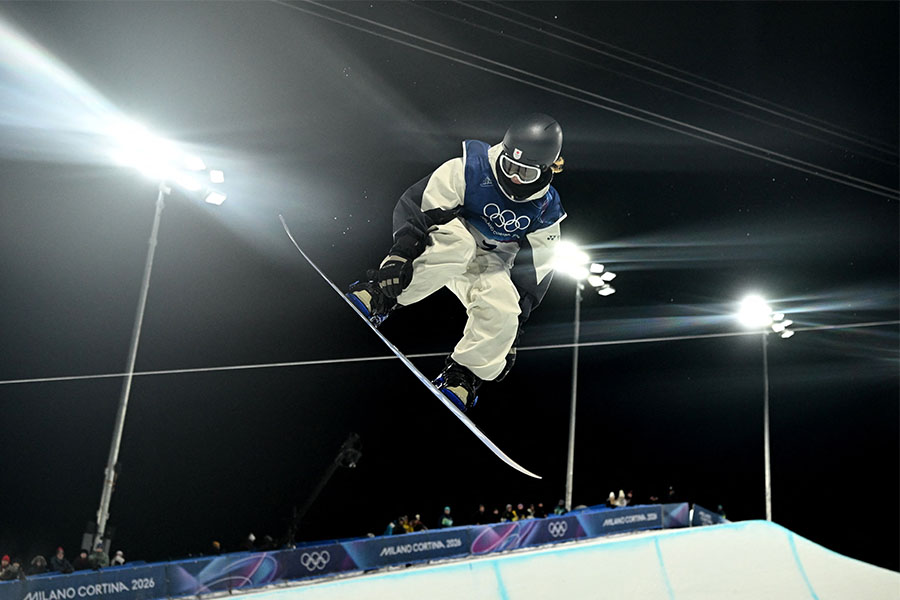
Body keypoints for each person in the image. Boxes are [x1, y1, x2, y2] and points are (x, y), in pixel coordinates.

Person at [347, 114, 566, 410]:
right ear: (501, 151)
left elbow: (536, 270)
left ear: (545, 170)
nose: (514, 177)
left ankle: (463, 375)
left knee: (502, 304)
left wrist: (515, 328)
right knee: (458, 245)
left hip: (491, 258)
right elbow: (421, 206)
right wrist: (399, 255)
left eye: (524, 173)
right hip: (450, 234)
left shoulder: (546, 210)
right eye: (509, 166)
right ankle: (379, 296)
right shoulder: (471, 168)